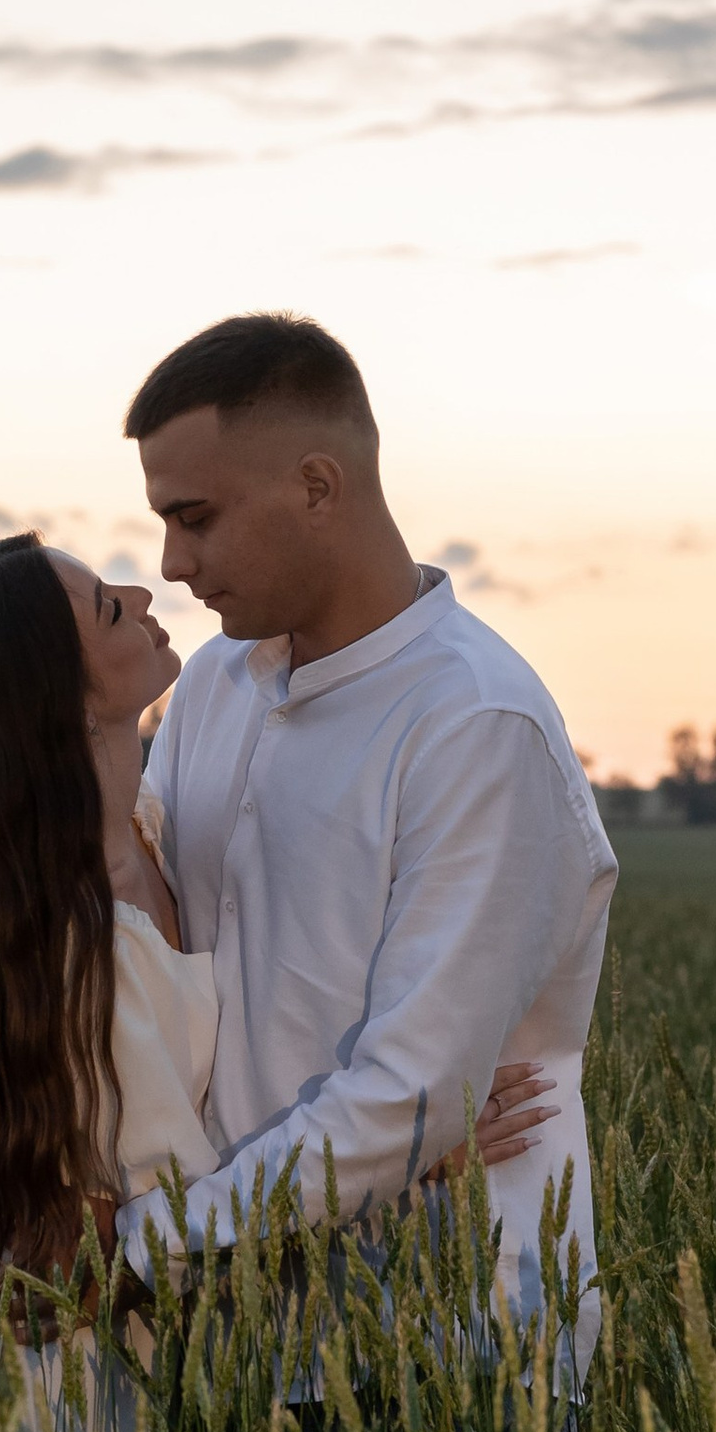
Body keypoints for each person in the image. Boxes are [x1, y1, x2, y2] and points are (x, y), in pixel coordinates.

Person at [0, 532, 553, 1432]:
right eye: (106, 606)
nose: (144, 591)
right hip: (44, 1400)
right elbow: (183, 1221)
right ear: (58, 697)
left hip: (124, 1363)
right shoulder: (72, 949)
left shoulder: (152, 829)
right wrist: (420, 1149)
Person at [115, 316, 616, 1370]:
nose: (170, 562)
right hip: (222, 1343)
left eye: (195, 518)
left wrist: (135, 1250)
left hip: (443, 1356)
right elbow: (128, 945)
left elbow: (411, 1098)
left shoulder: (474, 725)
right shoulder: (212, 685)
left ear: (315, 485)